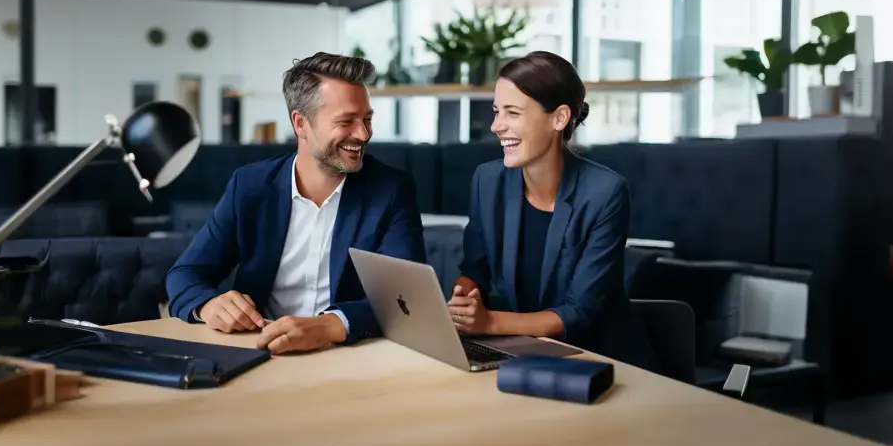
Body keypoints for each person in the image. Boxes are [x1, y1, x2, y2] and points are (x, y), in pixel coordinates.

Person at [166, 52, 425, 354]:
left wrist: (331, 325)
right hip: (261, 353)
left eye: (367, 119)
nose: (363, 134)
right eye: (346, 121)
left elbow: (407, 298)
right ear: (301, 124)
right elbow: (185, 274)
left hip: (349, 356)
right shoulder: (249, 186)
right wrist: (208, 305)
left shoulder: (391, 189)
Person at [448, 50, 659, 372]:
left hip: (598, 360)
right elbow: (475, 269)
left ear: (559, 118)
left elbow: (579, 312)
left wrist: (488, 322)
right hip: (526, 353)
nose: (496, 125)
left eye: (512, 113)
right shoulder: (487, 181)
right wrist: (464, 301)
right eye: (496, 111)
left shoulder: (604, 193)